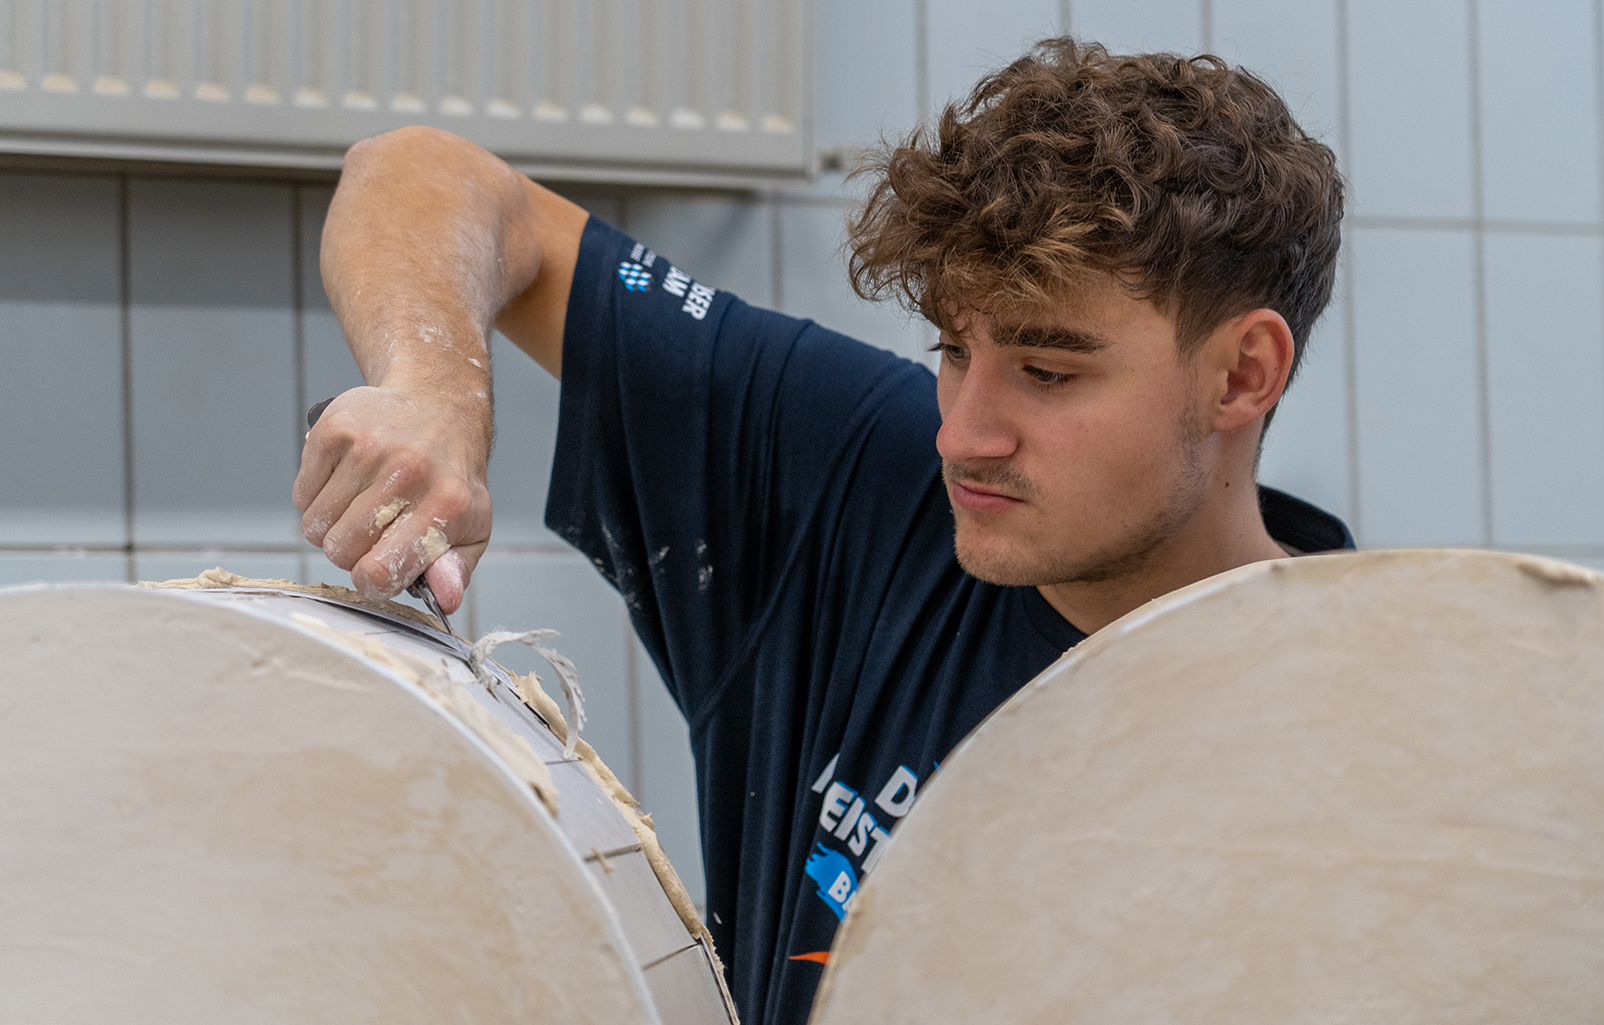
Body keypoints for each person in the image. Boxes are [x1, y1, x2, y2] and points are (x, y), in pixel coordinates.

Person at [293, 38, 1351, 1025]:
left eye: (1046, 371)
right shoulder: (865, 478)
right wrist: (431, 383)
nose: (963, 433)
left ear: (1240, 374)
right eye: (950, 349)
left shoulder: (1366, 739)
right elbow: (425, 175)